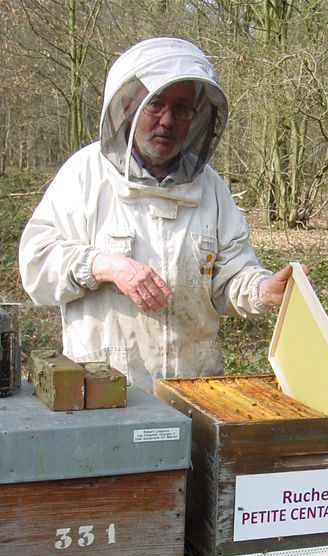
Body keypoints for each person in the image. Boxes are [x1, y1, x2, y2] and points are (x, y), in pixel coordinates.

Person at [19, 37, 301, 393]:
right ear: (128, 106)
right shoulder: (85, 175)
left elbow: (230, 278)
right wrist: (105, 266)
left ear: (196, 117)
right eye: (156, 104)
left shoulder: (211, 189)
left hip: (197, 392)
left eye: (181, 109)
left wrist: (262, 289)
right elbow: (36, 265)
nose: (167, 120)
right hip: (105, 395)